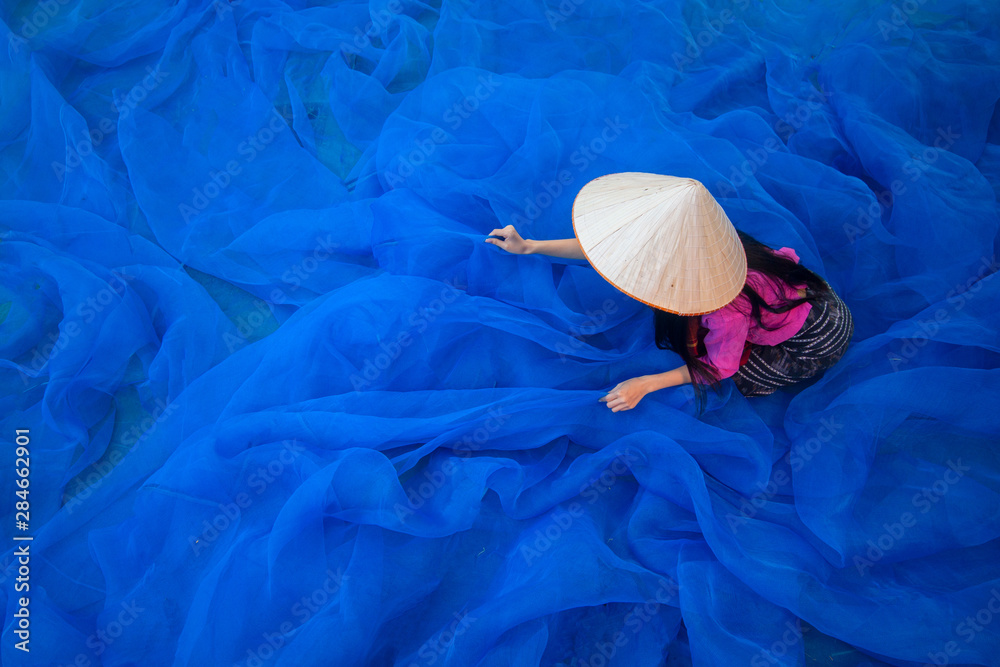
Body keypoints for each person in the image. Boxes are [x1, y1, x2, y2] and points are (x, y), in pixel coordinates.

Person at [485, 172, 854, 412]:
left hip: (814, 337)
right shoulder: (711, 243)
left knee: (740, 375)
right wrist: (531, 246)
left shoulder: (724, 309)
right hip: (795, 296)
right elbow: (607, 248)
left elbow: (721, 365)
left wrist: (647, 384)